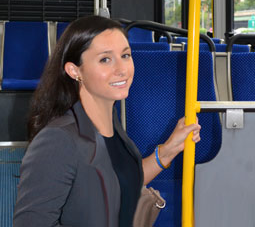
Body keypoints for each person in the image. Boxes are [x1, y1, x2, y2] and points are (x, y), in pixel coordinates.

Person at [13, 16, 201, 227]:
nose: (122, 69)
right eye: (105, 59)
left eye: (126, 55)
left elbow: (120, 181)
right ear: (74, 71)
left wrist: (168, 150)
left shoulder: (109, 123)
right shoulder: (57, 140)